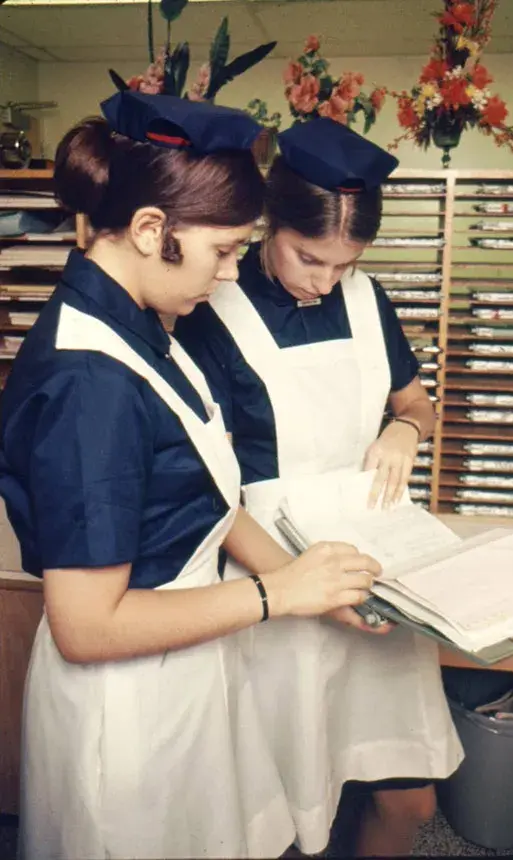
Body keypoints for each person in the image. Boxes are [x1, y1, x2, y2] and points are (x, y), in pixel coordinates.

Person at [0, 94, 381, 860]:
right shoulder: (89, 383)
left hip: (184, 670)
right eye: (223, 250)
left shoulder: (146, 325)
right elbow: (85, 626)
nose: (233, 270)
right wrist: (278, 594)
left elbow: (208, 497)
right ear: (150, 231)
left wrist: (310, 581)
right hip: (128, 704)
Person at [174, 117, 464, 858]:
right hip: (273, 572)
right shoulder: (211, 312)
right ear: (270, 223)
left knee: (408, 795)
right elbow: (208, 490)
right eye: (309, 258)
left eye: (344, 263)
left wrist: (406, 429)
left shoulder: (367, 300)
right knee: (285, 801)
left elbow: (417, 403)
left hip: (374, 565)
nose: (323, 281)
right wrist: (300, 584)